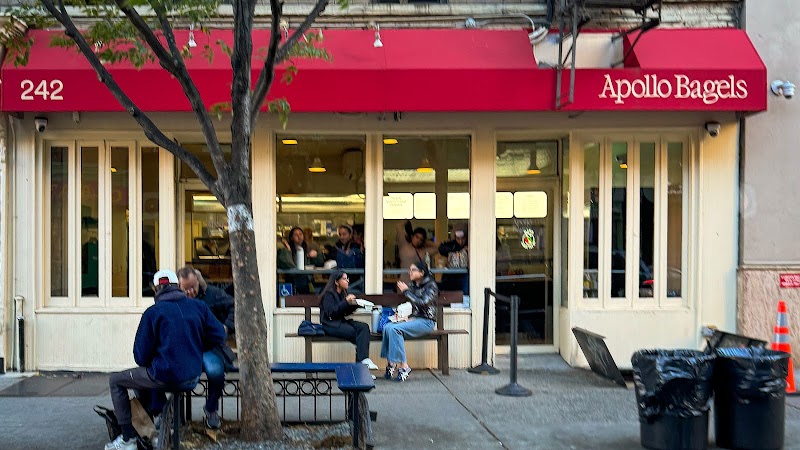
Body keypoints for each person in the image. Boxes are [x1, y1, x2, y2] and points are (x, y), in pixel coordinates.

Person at [105, 269, 226, 450]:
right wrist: (196, 344)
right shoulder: (199, 306)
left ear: (156, 289)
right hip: (192, 378)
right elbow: (219, 335)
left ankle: (128, 439)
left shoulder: (153, 313)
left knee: (116, 380)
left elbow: (140, 357)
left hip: (163, 378)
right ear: (177, 286)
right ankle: (157, 422)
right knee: (144, 377)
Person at [177, 267, 236, 430]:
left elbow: (233, 305)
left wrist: (227, 327)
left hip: (209, 347)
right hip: (186, 348)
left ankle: (211, 408)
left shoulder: (213, 294)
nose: (190, 292)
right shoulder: (176, 299)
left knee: (216, 372)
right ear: (179, 286)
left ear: (198, 280)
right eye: (186, 289)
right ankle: (172, 414)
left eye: (193, 287)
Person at [381, 261, 438, 382]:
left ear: (422, 272)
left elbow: (423, 302)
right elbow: (410, 305)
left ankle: (404, 366)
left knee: (395, 329)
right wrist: (402, 316)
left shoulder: (431, 285)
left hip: (427, 321)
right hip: (414, 319)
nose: (410, 272)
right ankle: (391, 363)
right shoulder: (414, 285)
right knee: (388, 327)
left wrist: (406, 291)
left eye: (413, 270)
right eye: (409, 270)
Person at [319, 270, 378, 373]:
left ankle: (362, 366)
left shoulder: (342, 293)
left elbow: (344, 312)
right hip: (331, 325)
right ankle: (361, 369)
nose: (347, 281)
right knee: (360, 336)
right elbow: (331, 313)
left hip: (340, 322)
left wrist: (356, 304)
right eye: (344, 279)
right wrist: (346, 301)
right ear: (336, 282)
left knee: (364, 327)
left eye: (347, 279)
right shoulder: (329, 295)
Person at [286, 227, 325, 294]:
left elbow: (320, 263)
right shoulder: (288, 250)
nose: (299, 237)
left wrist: (317, 256)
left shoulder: (309, 247)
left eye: (300, 234)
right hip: (292, 281)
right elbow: (287, 263)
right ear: (291, 238)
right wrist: (288, 249)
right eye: (296, 235)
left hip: (307, 282)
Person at [438, 226, 469, 292]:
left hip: (464, 274)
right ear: (455, 238)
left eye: (463, 239)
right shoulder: (450, 245)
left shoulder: (469, 246)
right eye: (458, 239)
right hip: (451, 275)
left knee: (464, 294)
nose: (461, 241)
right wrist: (454, 249)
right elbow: (441, 249)